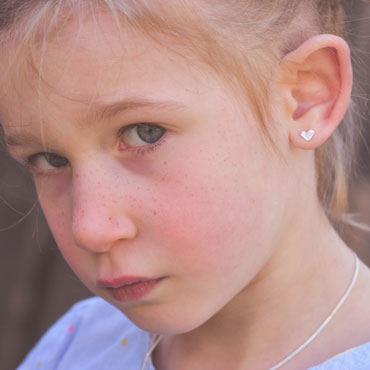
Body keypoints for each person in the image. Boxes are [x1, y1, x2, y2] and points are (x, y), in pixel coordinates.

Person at [0, 0, 370, 369]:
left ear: (306, 94)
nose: (90, 229)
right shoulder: (74, 348)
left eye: (144, 133)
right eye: (50, 160)